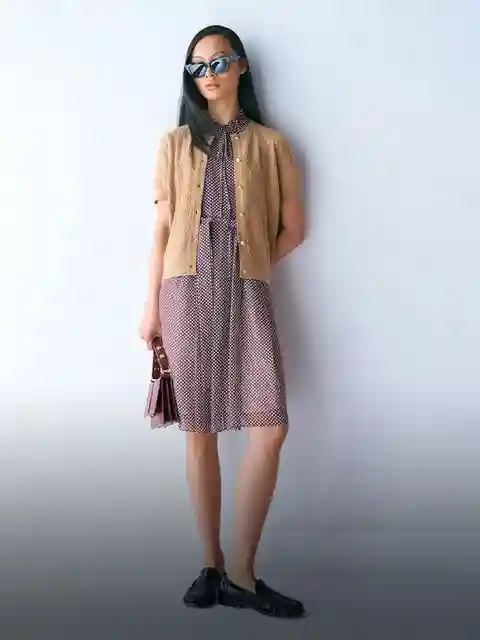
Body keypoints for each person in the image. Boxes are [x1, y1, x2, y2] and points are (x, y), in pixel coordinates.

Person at [139, 24, 305, 618]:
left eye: (218, 61)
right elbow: (162, 230)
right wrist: (151, 307)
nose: (208, 74)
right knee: (199, 430)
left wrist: (249, 266)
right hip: (183, 292)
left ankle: (241, 571)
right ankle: (211, 565)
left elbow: (294, 229)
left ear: (241, 68)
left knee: (271, 426)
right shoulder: (173, 144)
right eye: (198, 66)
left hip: (246, 291)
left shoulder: (273, 145)